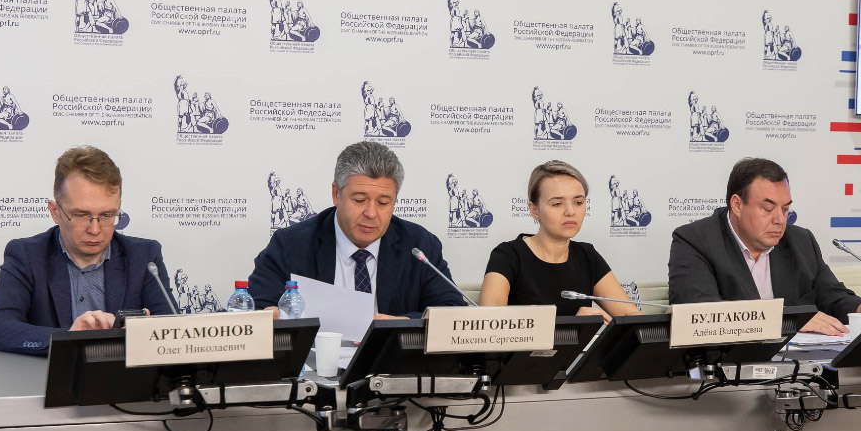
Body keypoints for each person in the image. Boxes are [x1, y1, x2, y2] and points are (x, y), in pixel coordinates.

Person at [0, 146, 177, 355]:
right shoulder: (27, 255)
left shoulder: (144, 256)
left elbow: (173, 331)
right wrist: (68, 337)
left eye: (107, 215)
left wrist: (138, 334)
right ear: (55, 212)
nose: (95, 229)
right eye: (82, 215)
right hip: (49, 375)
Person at [668, 157, 861, 335]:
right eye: (768, 209)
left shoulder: (800, 241)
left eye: (785, 209)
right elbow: (699, 314)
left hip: (801, 364)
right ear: (737, 205)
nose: (780, 220)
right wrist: (788, 320)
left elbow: (833, 297)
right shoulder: (695, 241)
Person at [247, 141, 464, 317]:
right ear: (336, 194)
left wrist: (402, 325)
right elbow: (257, 309)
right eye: (359, 200)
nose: (371, 213)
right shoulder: (291, 245)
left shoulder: (419, 246)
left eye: (383, 203)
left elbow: (451, 312)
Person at [481, 161, 639, 319]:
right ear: (534, 210)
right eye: (557, 204)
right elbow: (490, 322)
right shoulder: (507, 255)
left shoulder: (586, 255)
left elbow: (629, 314)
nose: (570, 211)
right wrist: (574, 324)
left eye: (578, 202)